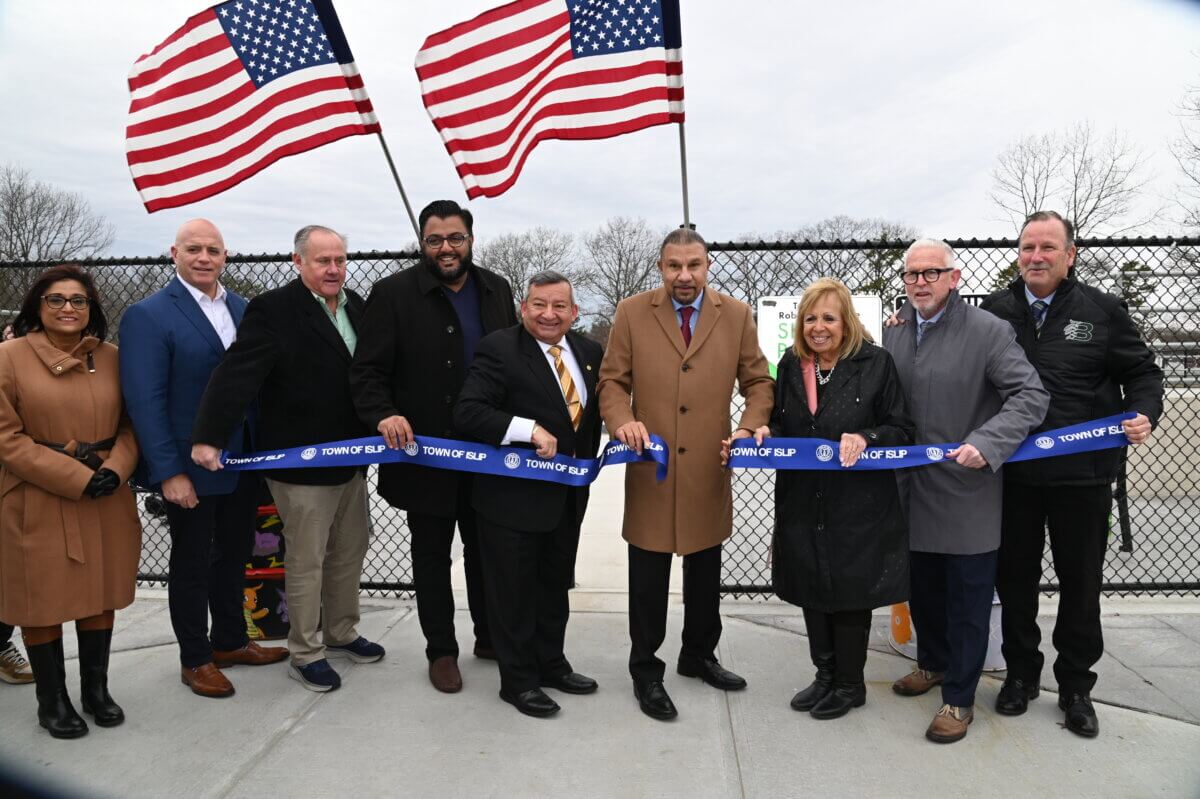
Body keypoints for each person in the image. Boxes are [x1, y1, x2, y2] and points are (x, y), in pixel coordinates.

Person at [980, 211, 1164, 738]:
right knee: (1014, 582)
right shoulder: (995, 312)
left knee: (1081, 585)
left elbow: (1143, 373)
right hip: (1012, 478)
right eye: (1027, 247)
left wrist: (1145, 411)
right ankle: (1019, 676)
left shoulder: (1103, 311)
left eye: (1047, 247)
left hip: (1081, 478)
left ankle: (1077, 686)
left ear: (1069, 254)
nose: (1035, 257)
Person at [191, 225, 384, 693]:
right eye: (322, 261)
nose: (334, 269)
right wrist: (209, 437)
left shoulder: (356, 306)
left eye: (339, 259)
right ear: (298, 262)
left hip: (353, 460)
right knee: (307, 560)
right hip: (300, 467)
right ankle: (306, 651)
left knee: (349, 551)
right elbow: (237, 374)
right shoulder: (273, 309)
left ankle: (341, 631)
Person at [597, 228, 774, 721]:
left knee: (704, 572)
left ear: (707, 265)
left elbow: (758, 381)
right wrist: (622, 420)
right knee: (648, 577)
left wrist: (750, 424)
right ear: (660, 268)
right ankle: (645, 671)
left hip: (708, 466)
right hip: (652, 468)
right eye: (674, 266)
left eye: (693, 265)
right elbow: (612, 380)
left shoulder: (735, 315)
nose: (684, 275)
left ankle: (698, 656)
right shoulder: (632, 312)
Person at [883, 240, 1048, 743]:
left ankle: (958, 699)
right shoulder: (895, 333)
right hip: (910, 492)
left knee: (969, 602)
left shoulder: (988, 331)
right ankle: (931, 664)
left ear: (954, 278)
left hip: (966, 491)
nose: (920, 282)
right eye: (912, 274)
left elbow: (1031, 394)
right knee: (924, 592)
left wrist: (987, 442)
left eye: (931, 273)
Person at [350, 200, 517, 693]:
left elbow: (512, 363)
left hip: (487, 452)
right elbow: (367, 371)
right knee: (431, 555)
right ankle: (441, 650)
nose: (446, 248)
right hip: (424, 456)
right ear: (423, 243)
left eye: (455, 238)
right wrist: (384, 413)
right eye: (435, 240)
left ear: (471, 238)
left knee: (487, 550)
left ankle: (490, 636)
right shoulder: (393, 294)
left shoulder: (497, 290)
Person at [119, 219, 287, 700]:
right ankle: (195, 658)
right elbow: (146, 401)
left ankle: (230, 641)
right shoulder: (148, 316)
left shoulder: (242, 308)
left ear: (225, 255)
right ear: (174, 253)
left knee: (234, 557)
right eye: (194, 248)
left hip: (242, 464)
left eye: (213, 249)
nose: (204, 257)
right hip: (188, 470)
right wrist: (169, 472)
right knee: (192, 563)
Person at [454, 272, 604, 718]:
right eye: (539, 305)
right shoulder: (499, 348)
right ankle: (517, 681)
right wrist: (528, 429)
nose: (549, 314)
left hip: (567, 497)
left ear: (575, 312)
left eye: (559, 306)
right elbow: (468, 412)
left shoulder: (589, 351)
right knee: (513, 593)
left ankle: (551, 663)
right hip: (511, 499)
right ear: (524, 307)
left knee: (554, 585)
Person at [0, 265, 141, 738]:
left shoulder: (115, 357)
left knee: (100, 591)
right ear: (37, 307)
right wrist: (75, 477)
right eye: (56, 300)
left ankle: (95, 691)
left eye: (78, 300)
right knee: (42, 598)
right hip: (36, 496)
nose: (67, 309)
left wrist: (115, 470)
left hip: (106, 493)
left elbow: (132, 424)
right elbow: (7, 440)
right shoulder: (8, 357)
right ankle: (52, 700)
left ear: (91, 309)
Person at [765, 277, 913, 721]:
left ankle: (851, 684)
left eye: (828, 317)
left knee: (850, 592)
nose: (818, 327)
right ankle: (825, 675)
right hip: (803, 500)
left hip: (858, 503)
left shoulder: (875, 363)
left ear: (846, 322)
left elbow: (902, 429)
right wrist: (759, 436)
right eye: (810, 318)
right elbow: (778, 423)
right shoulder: (792, 365)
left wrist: (867, 437)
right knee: (812, 584)